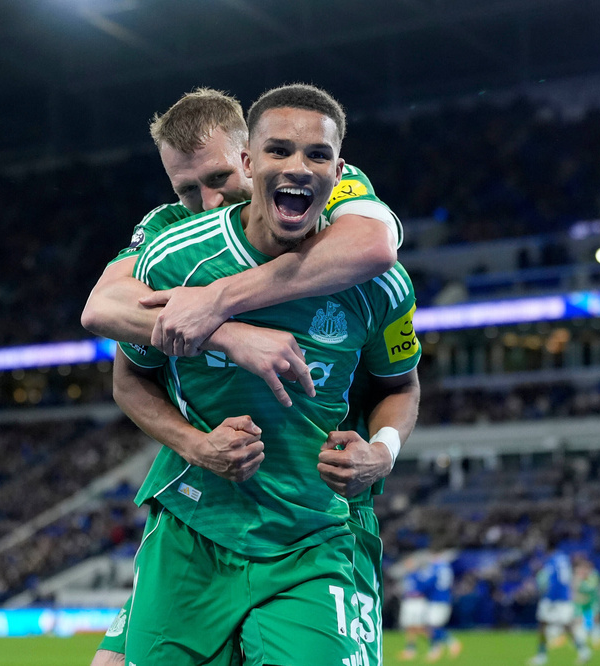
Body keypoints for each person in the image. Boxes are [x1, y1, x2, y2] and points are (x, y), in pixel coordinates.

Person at [82, 88, 405, 666]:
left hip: (316, 510)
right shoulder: (171, 238)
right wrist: (227, 332)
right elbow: (104, 310)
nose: (205, 202)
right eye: (185, 189)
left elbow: (377, 247)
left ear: (246, 157)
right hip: (200, 507)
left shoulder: (330, 187)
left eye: (217, 178)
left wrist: (217, 303)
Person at [529, 549, 591, 665]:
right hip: (564, 597)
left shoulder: (552, 561)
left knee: (543, 625)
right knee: (565, 626)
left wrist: (551, 599)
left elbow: (554, 581)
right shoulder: (564, 559)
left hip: (554, 598)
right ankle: (583, 650)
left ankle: (541, 656)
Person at [398, 554, 461, 662]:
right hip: (435, 599)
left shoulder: (431, 570)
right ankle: (432, 648)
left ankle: (446, 643)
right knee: (421, 626)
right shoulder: (444, 568)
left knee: (428, 627)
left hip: (430, 601)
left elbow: (427, 584)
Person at [573, 555, 600, 650]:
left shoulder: (594, 576)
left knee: (596, 619)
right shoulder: (576, 577)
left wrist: (581, 581)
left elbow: (591, 588)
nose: (583, 570)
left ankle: (597, 640)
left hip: (592, 601)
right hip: (580, 602)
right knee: (578, 620)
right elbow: (574, 588)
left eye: (585, 568)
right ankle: (581, 639)